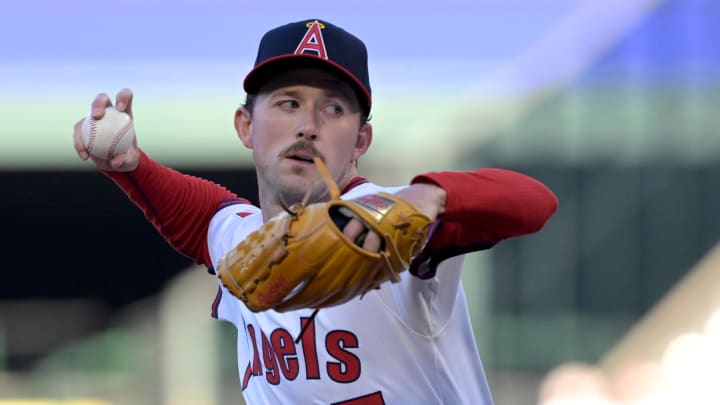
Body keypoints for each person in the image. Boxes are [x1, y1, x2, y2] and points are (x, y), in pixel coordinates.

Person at [73, 19, 558, 405]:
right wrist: (130, 167)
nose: (307, 126)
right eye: (288, 103)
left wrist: (429, 197)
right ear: (245, 126)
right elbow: (197, 214)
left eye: (333, 110)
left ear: (360, 141)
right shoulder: (241, 239)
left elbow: (535, 202)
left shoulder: (396, 223)